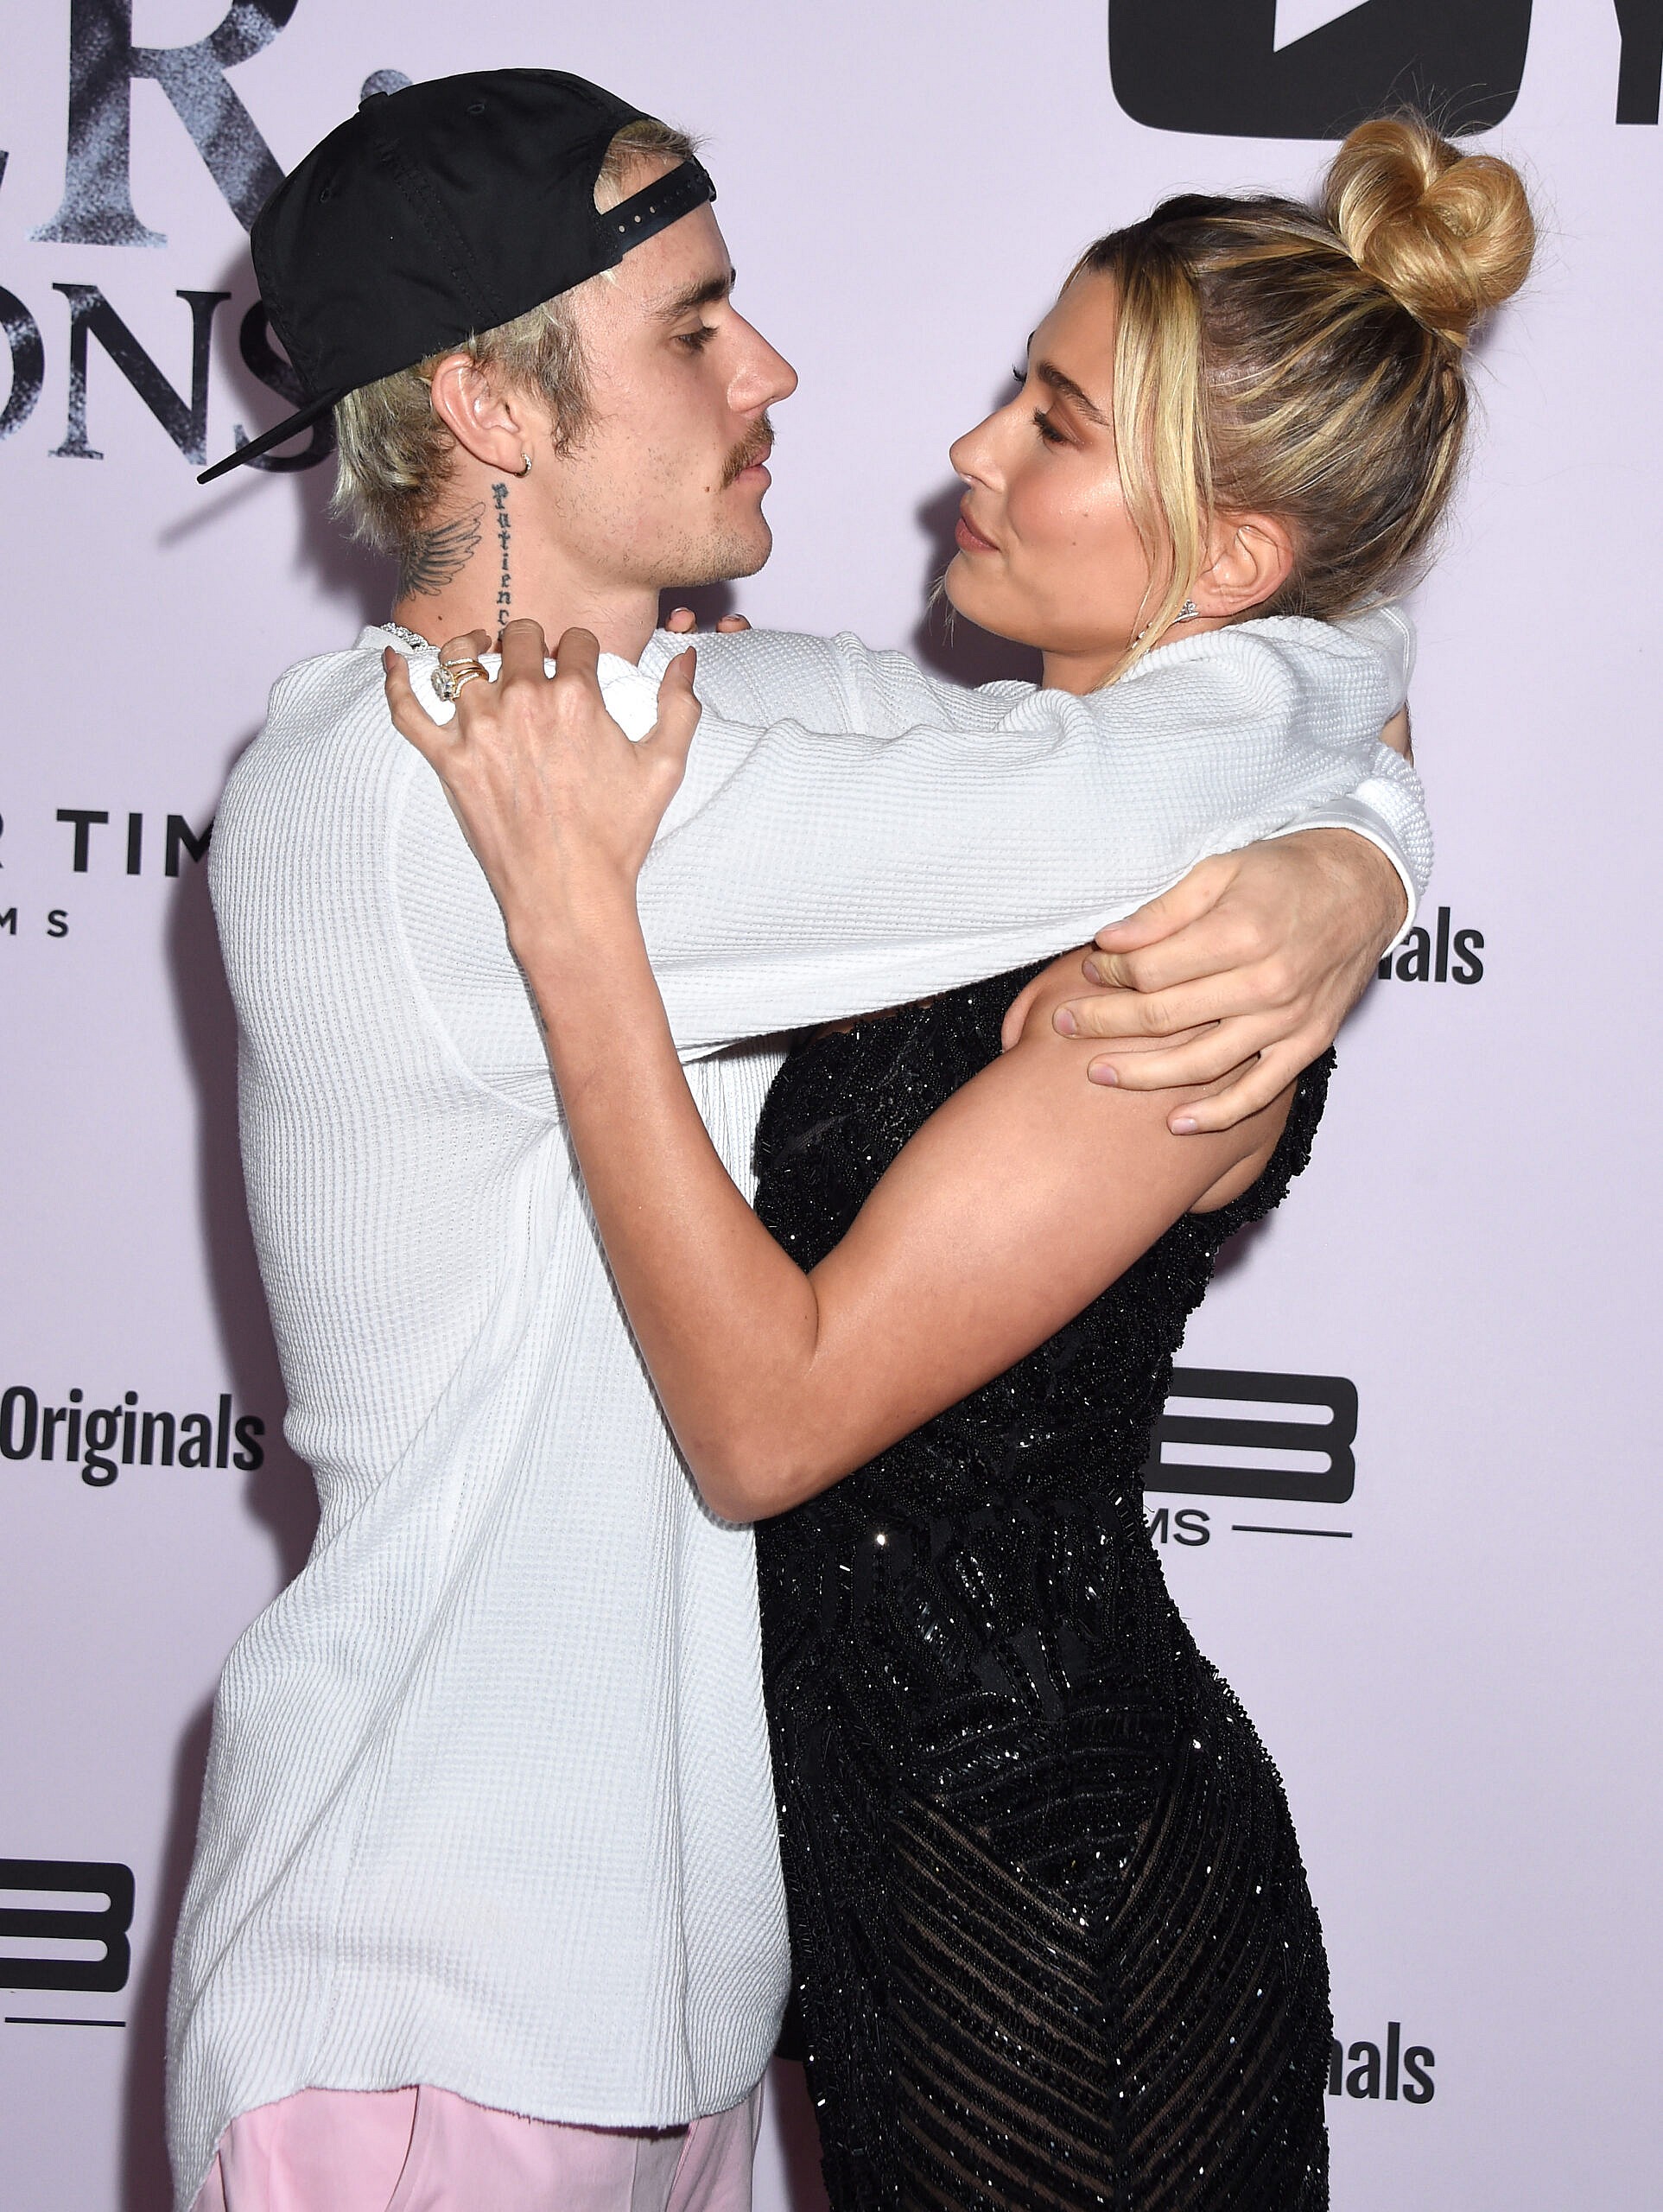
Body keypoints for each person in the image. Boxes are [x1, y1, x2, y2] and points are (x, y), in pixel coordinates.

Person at [168, 68, 1431, 2212]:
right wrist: (1362, 833)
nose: (775, 369)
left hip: (720, 2013)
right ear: (485, 400)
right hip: (435, 2002)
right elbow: (1170, 762)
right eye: (692, 327)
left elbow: (1224, 690)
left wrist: (1359, 859)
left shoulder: (745, 728)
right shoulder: (399, 802)